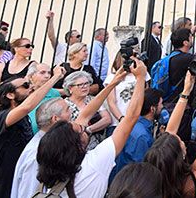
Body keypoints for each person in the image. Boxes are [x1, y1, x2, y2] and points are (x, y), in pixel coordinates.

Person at [34, 58, 146, 198]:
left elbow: (85, 115)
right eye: (82, 130)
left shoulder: (49, 167)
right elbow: (130, 118)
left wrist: (113, 83)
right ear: (78, 144)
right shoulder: (94, 164)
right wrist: (141, 78)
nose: (84, 128)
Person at [11, 68, 128, 198]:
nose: (72, 113)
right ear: (56, 119)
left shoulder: (57, 138)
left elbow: (86, 114)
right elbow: (29, 192)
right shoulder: (37, 153)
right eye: (67, 110)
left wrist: (112, 84)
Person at [0, 65, 65, 198]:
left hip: (17, 177)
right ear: (10, 95)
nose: (30, 87)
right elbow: (27, 106)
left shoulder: (21, 118)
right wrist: (55, 77)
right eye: (25, 85)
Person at [145, 70, 196, 198]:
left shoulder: (153, 186)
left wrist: (186, 91)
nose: (182, 141)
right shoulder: (195, 181)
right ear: (180, 156)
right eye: (180, 142)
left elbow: (170, 132)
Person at [110, 88, 162, 182]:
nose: (162, 107)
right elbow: (141, 167)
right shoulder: (143, 136)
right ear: (152, 109)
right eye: (160, 104)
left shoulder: (132, 123)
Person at [63, 70, 112, 150]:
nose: (84, 87)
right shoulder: (64, 104)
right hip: (72, 146)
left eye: (86, 83)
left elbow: (107, 119)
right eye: (80, 85)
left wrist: (88, 130)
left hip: (95, 145)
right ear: (70, 88)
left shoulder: (94, 101)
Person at [106, 51, 149, 134]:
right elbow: (111, 102)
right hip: (117, 122)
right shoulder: (112, 77)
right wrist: (121, 118)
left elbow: (145, 94)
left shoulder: (142, 74)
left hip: (137, 121)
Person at [26, 62, 62, 133]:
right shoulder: (24, 92)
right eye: (42, 73)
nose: (47, 76)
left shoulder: (54, 93)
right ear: (31, 76)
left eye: (49, 73)